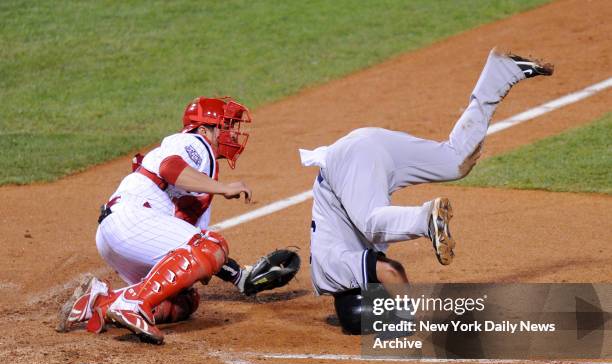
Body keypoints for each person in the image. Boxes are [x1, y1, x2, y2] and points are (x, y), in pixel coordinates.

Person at [299, 49, 554, 334]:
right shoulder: (350, 262)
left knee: (372, 224)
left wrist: (406, 322)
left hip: (352, 158)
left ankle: (424, 219)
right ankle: (500, 73)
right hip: (367, 146)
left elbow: (391, 271)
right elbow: (391, 269)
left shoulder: (331, 275)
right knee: (455, 161)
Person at [58, 96, 299, 344]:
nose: (231, 134)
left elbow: (192, 253)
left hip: (122, 233)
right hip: (132, 220)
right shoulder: (195, 143)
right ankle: (133, 303)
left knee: (184, 300)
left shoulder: (201, 176)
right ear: (204, 129)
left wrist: (238, 276)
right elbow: (169, 168)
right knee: (212, 244)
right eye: (225, 127)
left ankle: (101, 301)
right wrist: (222, 187)